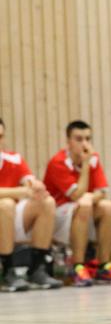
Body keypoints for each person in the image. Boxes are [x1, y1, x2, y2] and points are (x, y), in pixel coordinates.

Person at [43, 120, 111, 286]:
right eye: (79, 139)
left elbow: (101, 192)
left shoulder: (93, 159)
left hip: (82, 211)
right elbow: (77, 195)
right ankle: (78, 267)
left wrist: (91, 198)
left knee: (108, 206)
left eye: (88, 139)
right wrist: (85, 165)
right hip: (57, 217)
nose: (85, 144)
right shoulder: (58, 162)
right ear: (68, 142)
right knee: (84, 204)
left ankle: (104, 266)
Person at [0, 118, 61, 291]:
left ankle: (37, 268)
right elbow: (17, 194)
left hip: (8, 217)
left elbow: (29, 180)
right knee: (5, 204)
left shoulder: (13, 158)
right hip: (4, 210)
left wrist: (36, 186)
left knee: (46, 202)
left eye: (1, 137)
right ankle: (8, 271)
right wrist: (18, 192)